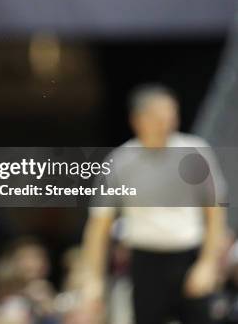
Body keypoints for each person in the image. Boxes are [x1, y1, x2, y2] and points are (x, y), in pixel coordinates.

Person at [81, 84, 227, 324]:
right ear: (138, 120)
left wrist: (208, 264)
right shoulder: (121, 161)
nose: (167, 122)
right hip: (145, 262)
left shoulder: (195, 151)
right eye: (159, 116)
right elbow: (99, 224)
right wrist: (93, 278)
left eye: (172, 115)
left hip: (189, 256)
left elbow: (215, 212)